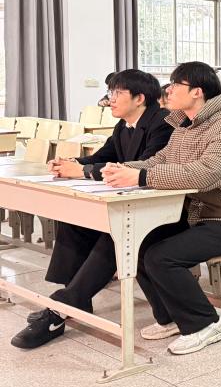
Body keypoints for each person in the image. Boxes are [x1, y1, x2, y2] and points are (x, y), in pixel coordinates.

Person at [106, 62, 221, 355]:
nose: (168, 91)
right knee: (139, 247)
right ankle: (171, 318)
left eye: (174, 85)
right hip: (200, 214)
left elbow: (205, 174)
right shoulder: (185, 125)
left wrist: (141, 177)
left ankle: (205, 323)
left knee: (162, 257)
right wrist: (119, 169)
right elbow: (158, 161)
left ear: (197, 92)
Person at [11, 70, 174, 349]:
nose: (110, 99)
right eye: (110, 93)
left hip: (161, 207)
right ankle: (77, 297)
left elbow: (144, 166)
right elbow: (102, 157)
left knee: (115, 234)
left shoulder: (162, 123)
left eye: (117, 93)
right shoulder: (123, 125)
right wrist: (71, 163)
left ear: (139, 98)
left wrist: (84, 171)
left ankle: (62, 308)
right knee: (75, 220)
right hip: (130, 201)